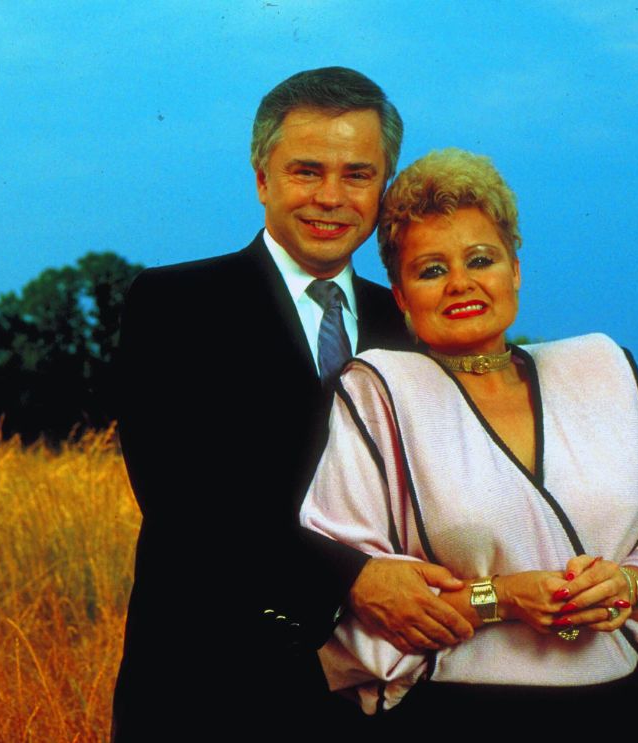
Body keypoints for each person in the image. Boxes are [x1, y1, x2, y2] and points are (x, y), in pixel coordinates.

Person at [111, 67, 476, 741]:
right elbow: (183, 501)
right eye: (306, 170)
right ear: (262, 178)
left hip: (385, 698)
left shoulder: (412, 328)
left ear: (382, 186)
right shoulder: (174, 306)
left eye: (357, 174)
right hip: (209, 697)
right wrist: (352, 580)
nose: (330, 197)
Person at [299, 148, 638, 738]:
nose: (461, 283)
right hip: (457, 717)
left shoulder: (601, 370)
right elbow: (365, 601)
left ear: (515, 270)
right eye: (430, 270)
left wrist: (630, 585)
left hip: (616, 715)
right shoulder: (380, 391)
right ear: (400, 296)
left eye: (482, 259)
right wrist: (502, 598)